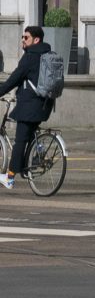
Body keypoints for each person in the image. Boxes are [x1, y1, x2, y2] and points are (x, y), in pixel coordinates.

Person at [0, 25, 55, 190]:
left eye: (26, 37)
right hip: (45, 105)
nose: (22, 40)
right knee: (30, 135)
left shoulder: (30, 57)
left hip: (29, 106)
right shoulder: (48, 54)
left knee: (20, 141)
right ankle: (35, 157)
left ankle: (9, 178)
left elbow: (14, 80)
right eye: (22, 37)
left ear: (36, 40)